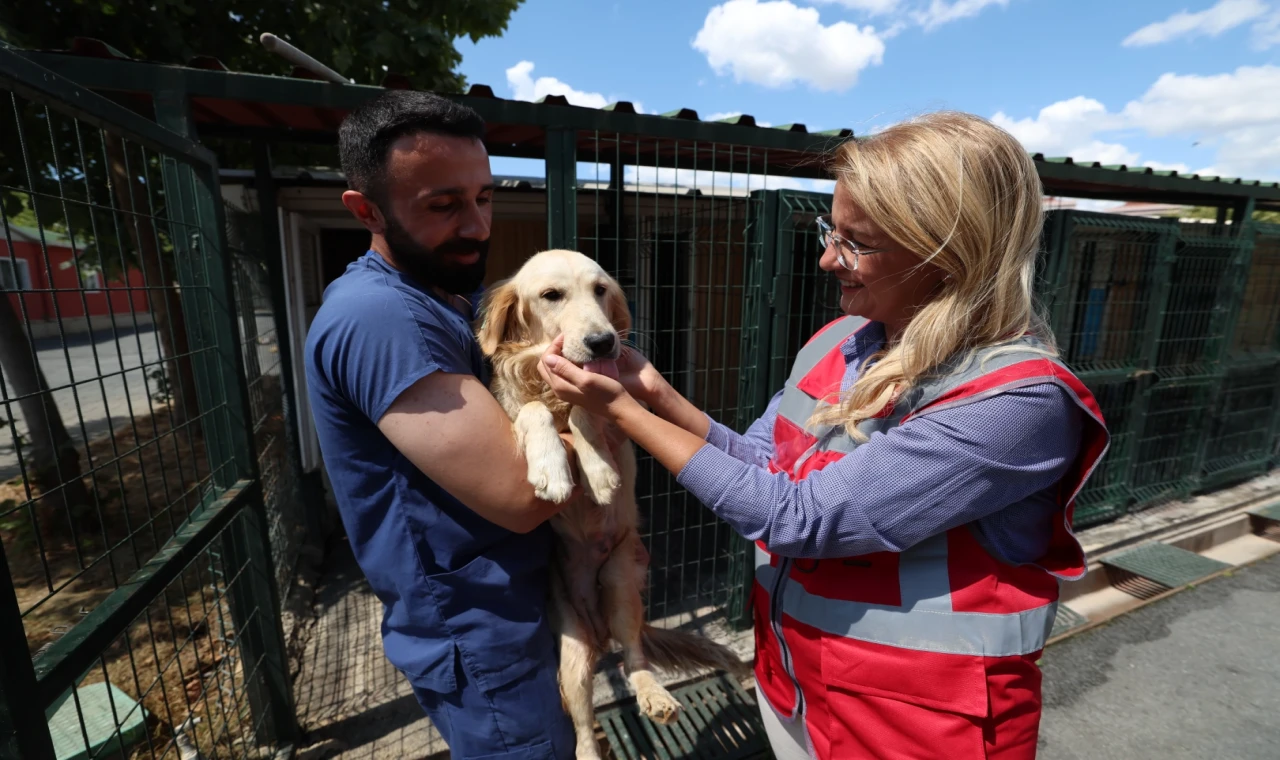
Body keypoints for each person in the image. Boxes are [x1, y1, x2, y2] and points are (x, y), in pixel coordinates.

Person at [537, 111, 1109, 759]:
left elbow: (798, 518)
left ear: (946, 253)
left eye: (856, 242)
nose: (826, 257)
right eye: (828, 230)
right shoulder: (839, 344)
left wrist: (622, 413)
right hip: (799, 689)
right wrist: (654, 392)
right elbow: (763, 463)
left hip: (918, 731)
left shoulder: (1016, 402)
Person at [304, 90, 576, 759]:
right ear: (365, 210)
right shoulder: (381, 318)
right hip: (480, 636)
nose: (480, 226)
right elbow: (523, 495)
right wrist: (607, 432)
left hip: (515, 610)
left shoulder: (446, 295)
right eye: (444, 205)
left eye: (483, 197)